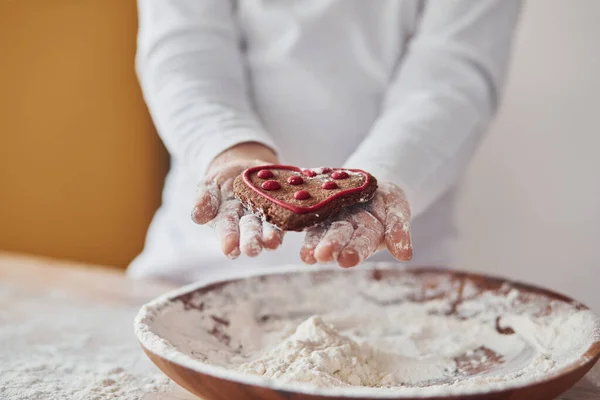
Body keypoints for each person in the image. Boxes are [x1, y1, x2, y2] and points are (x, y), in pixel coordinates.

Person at [128, 0, 521, 284]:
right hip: (197, 268)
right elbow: (184, 48)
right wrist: (230, 147)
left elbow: (452, 74)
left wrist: (388, 172)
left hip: (392, 284)